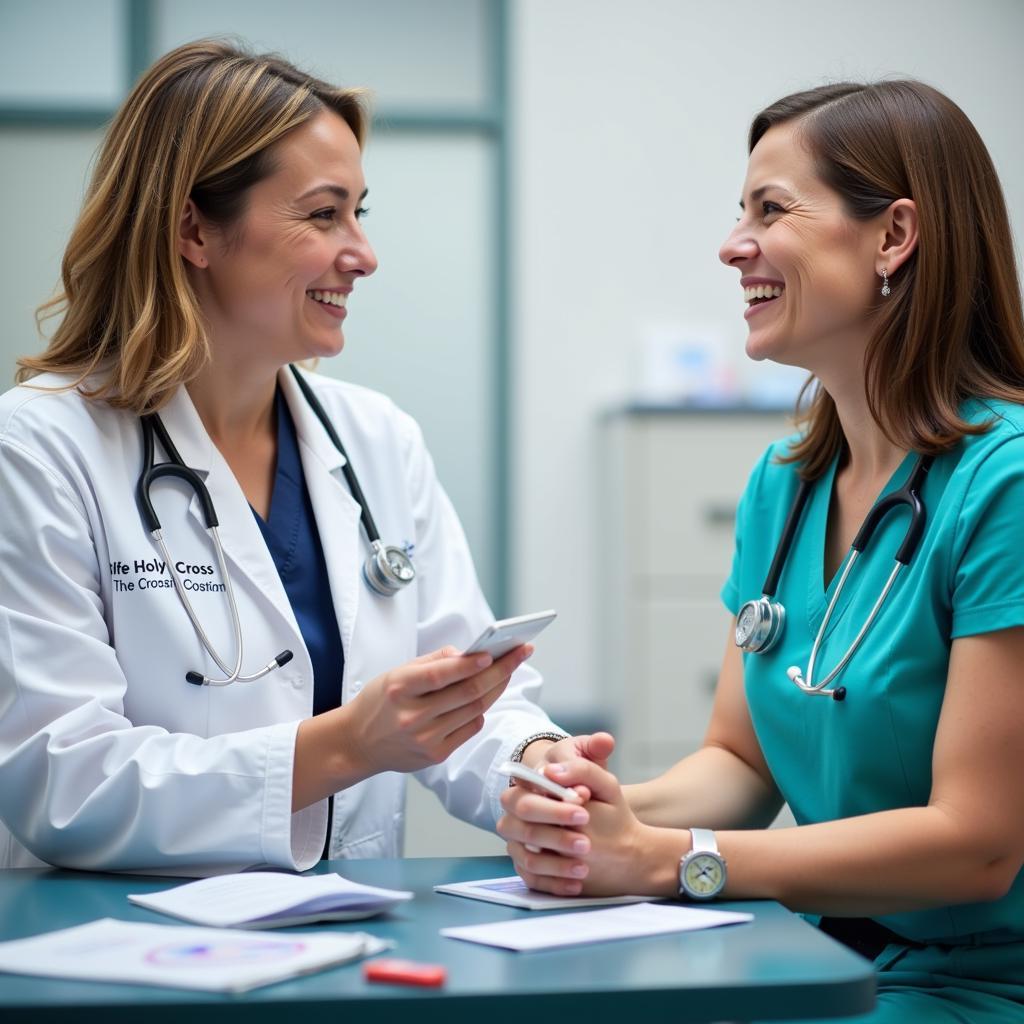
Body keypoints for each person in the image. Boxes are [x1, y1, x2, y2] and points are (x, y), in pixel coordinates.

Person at [498, 80, 1024, 1021]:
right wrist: (598, 815)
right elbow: (741, 766)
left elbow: (979, 844)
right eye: (739, 213)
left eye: (771, 210)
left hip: (981, 981)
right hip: (820, 955)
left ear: (893, 237)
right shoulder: (785, 485)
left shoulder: (1005, 485)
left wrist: (672, 860)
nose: (732, 244)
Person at [0, 39, 579, 874]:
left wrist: (534, 768)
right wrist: (347, 745)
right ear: (194, 228)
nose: (363, 254)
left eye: (360, 213)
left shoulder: (376, 439)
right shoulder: (41, 446)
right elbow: (62, 781)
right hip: (126, 956)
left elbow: (463, 697)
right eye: (322, 214)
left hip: (346, 938)